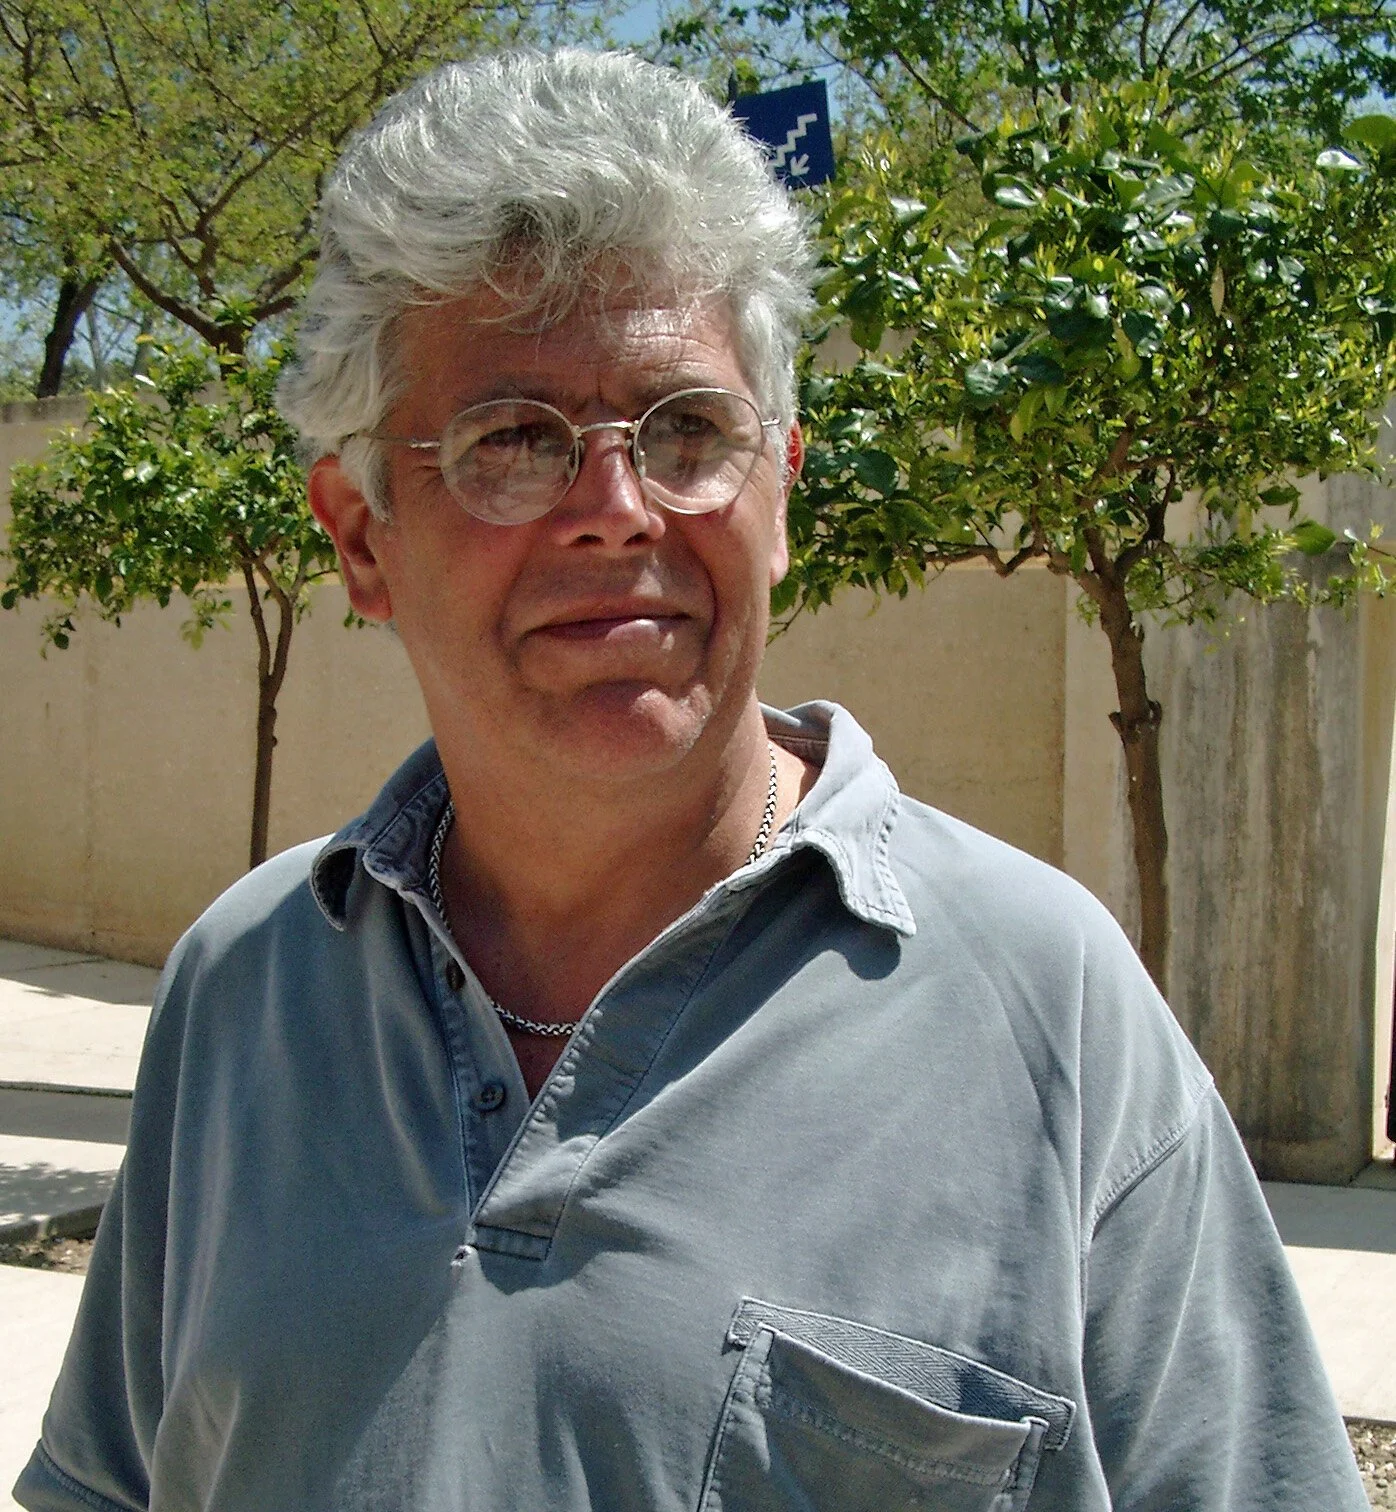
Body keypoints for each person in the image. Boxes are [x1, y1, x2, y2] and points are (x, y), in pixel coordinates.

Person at [16, 49, 1366, 1512]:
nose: (615, 509)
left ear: (782, 487)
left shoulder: (1053, 1009)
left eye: (686, 432)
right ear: (359, 534)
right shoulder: (247, 986)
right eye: (514, 440)